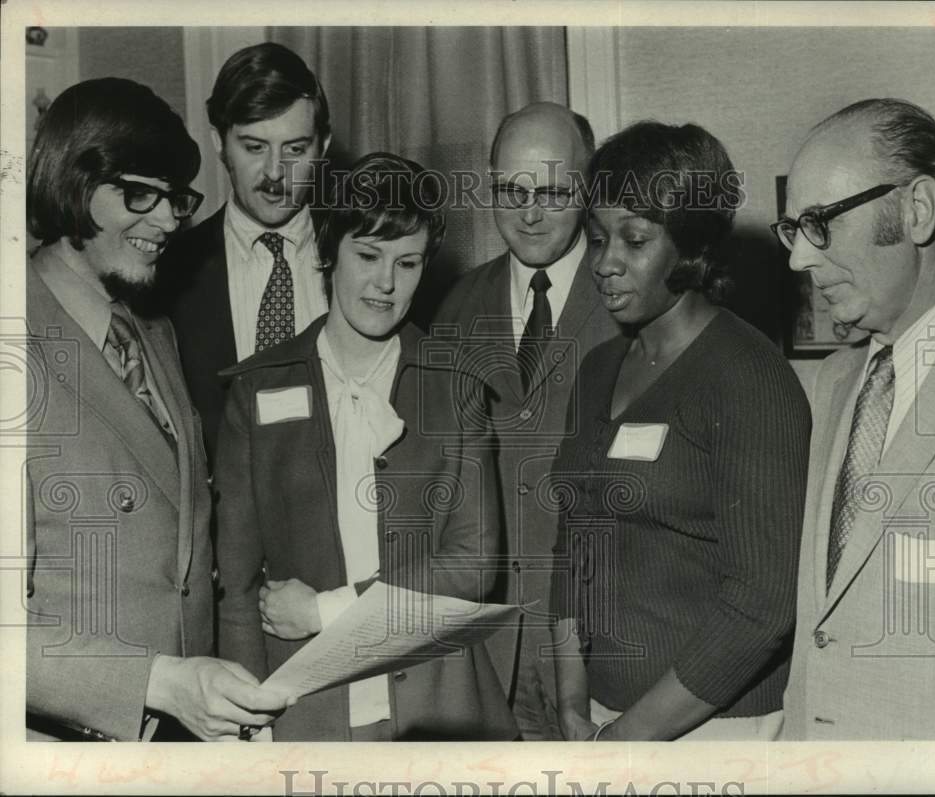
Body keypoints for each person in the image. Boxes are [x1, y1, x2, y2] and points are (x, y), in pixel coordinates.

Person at [214, 152, 518, 741]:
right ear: (329, 253)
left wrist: (328, 610)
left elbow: (473, 565)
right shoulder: (256, 388)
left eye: (408, 263)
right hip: (302, 706)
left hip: (437, 703)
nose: (386, 283)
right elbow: (237, 583)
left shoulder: (454, 383)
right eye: (368, 256)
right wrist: (246, 718)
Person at [24, 78, 293, 742]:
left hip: (176, 738)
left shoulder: (154, 332)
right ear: (72, 183)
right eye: (138, 194)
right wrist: (158, 682)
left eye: (174, 197)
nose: (170, 219)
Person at [549, 121, 812, 741]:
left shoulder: (749, 379)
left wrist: (625, 741)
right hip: (601, 720)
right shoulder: (597, 370)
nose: (605, 264)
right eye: (596, 239)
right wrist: (570, 699)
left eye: (634, 240)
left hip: (713, 727)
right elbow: (570, 548)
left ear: (690, 246)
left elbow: (762, 606)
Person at [776, 99, 935, 740]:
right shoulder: (835, 381)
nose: (798, 260)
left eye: (820, 223)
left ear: (916, 210)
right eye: (792, 229)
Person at [433, 101, 618, 739]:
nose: (531, 211)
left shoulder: (629, 301)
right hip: (483, 656)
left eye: (555, 190)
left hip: (600, 649)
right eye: (512, 190)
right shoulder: (454, 309)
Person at [159, 42, 332, 466]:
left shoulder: (368, 258)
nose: (274, 173)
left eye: (294, 149)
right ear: (219, 142)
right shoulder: (168, 270)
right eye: (254, 147)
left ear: (323, 147)